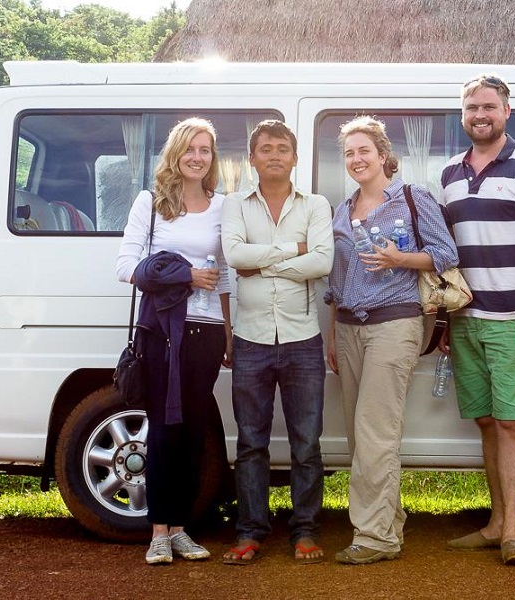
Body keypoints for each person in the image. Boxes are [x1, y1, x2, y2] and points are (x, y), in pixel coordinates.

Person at [440, 74, 515, 566]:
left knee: (512, 424)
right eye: (471, 107)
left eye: (488, 106)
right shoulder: (450, 171)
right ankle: (493, 525)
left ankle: (513, 532)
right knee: (488, 422)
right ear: (462, 114)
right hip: (467, 318)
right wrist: (447, 322)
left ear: (507, 111)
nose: (479, 115)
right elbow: (448, 252)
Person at [325, 116, 458, 565]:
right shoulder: (342, 210)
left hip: (396, 324)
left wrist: (400, 258)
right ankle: (387, 523)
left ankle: (375, 537)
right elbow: (335, 279)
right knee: (358, 438)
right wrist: (331, 335)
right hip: (347, 326)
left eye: (364, 150)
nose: (356, 159)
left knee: (376, 432)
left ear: (383, 154)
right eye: (349, 153)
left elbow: (446, 254)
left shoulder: (413, 198)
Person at [116, 117, 233, 565]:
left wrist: (228, 332)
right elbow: (126, 267)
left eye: (205, 150)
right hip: (164, 331)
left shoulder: (222, 207)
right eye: (190, 148)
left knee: (192, 430)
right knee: (164, 430)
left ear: (212, 157)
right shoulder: (150, 203)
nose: (198, 157)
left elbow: (226, 280)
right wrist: (184, 275)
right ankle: (158, 533)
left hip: (204, 334)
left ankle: (181, 528)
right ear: (175, 153)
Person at [221, 119, 333, 565]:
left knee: (307, 443)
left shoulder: (317, 204)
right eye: (265, 148)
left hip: (303, 338)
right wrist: (292, 251)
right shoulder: (235, 204)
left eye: (282, 148)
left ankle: (305, 531)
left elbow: (322, 261)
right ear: (252, 158)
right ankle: (250, 531)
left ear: (294, 157)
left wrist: (262, 261)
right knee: (251, 442)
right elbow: (234, 256)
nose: (273, 155)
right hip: (249, 338)